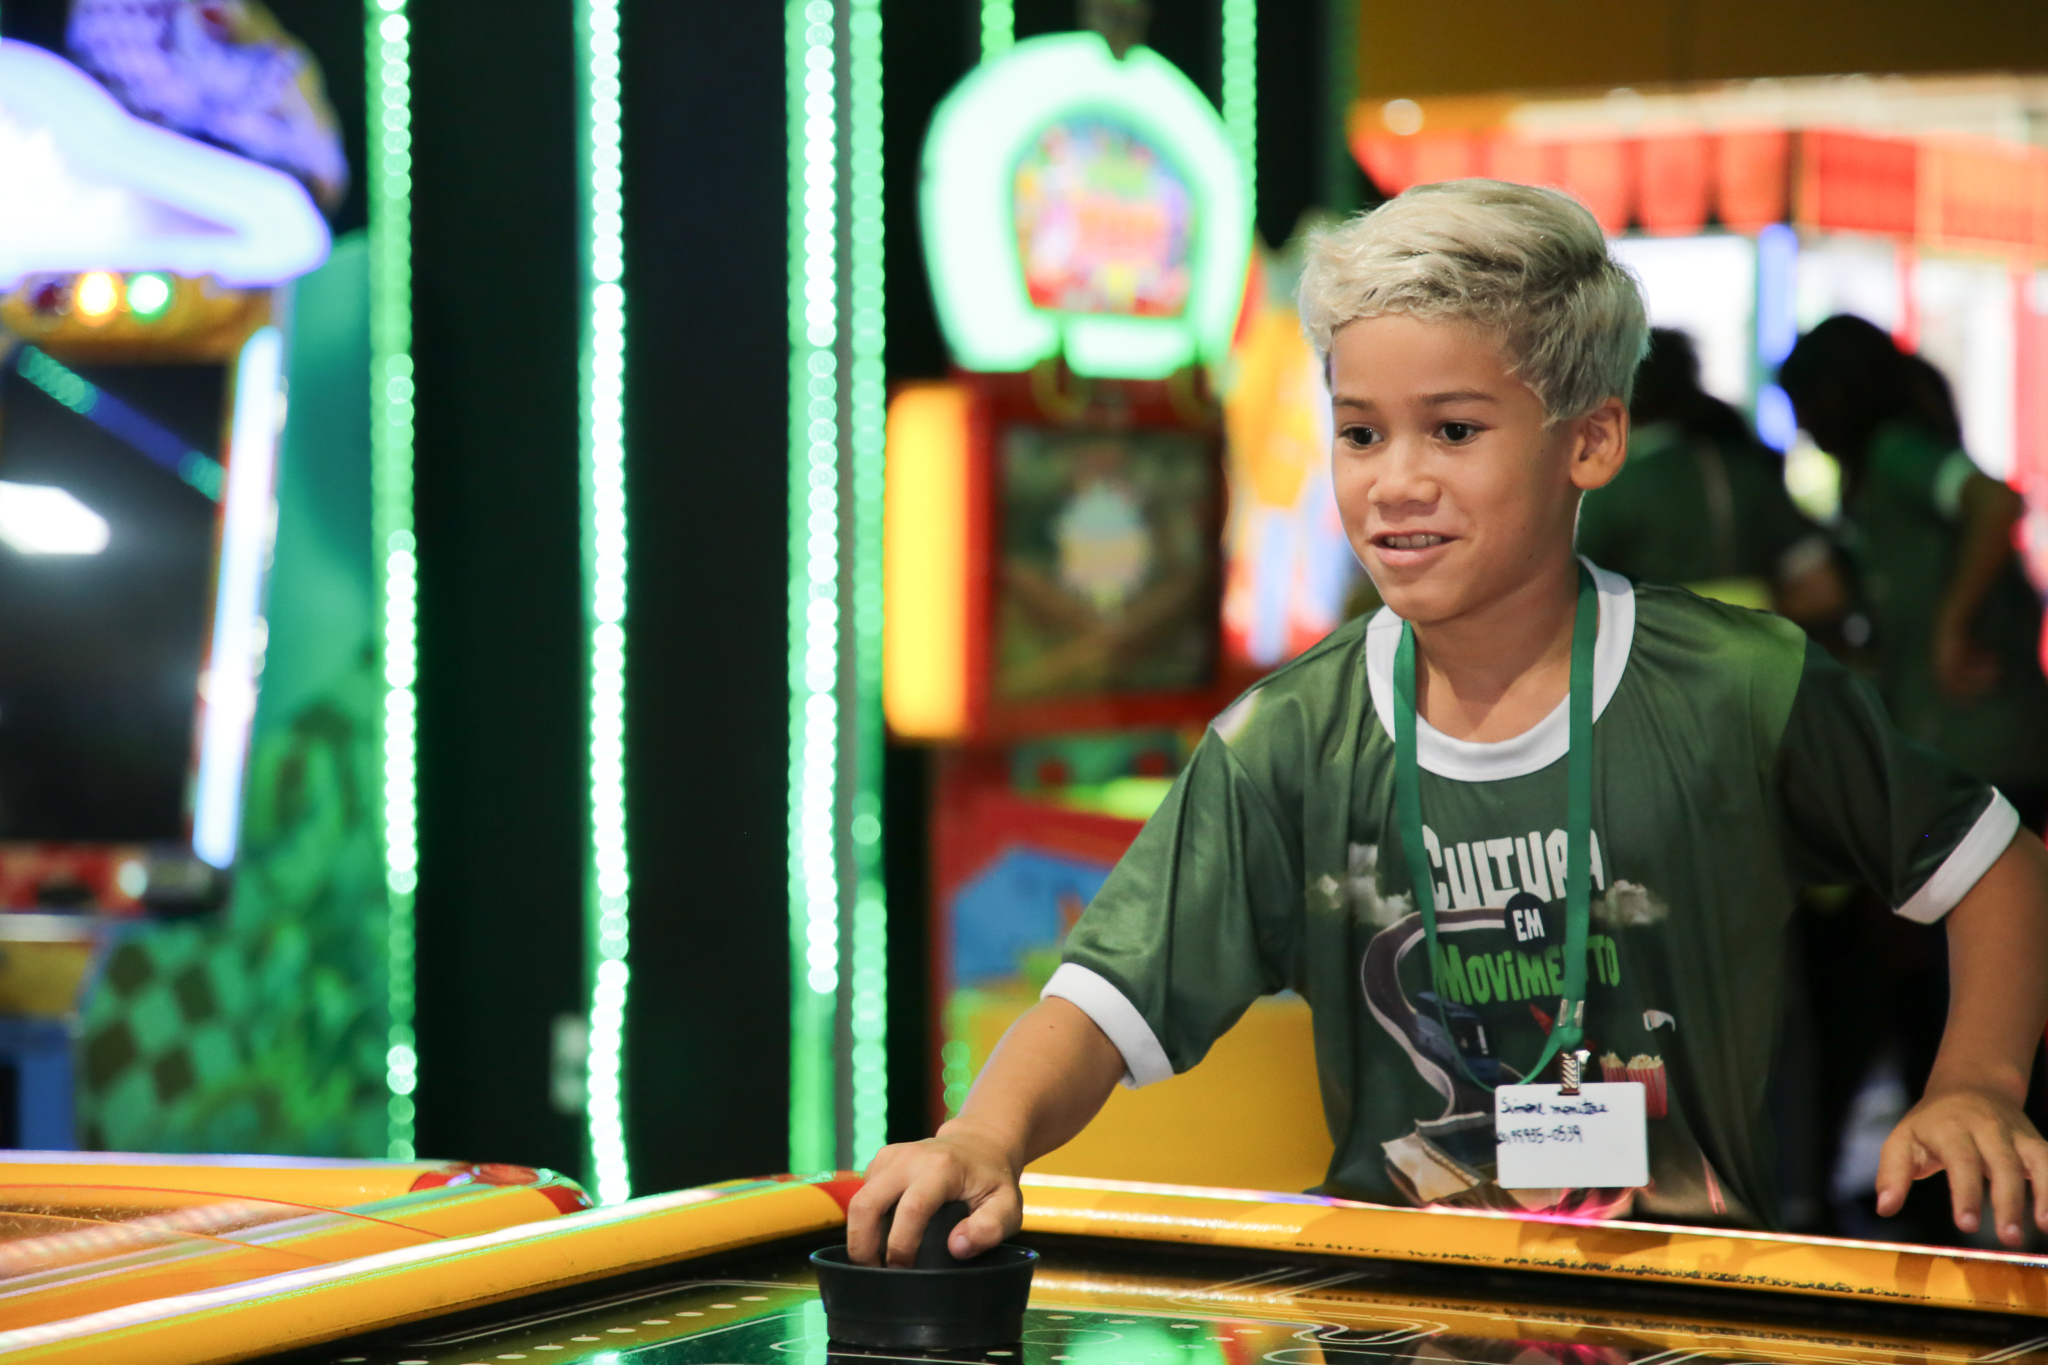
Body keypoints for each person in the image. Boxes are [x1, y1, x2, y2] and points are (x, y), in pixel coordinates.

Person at [850, 182, 2048, 1266]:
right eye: (1360, 431)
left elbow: (1996, 864)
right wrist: (983, 1135)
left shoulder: (1737, 686)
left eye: (1454, 430)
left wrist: (1978, 1082)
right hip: (1398, 1318)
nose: (1394, 480)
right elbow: (1102, 1001)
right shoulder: (1284, 741)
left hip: (1686, 1314)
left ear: (1589, 439)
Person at [1777, 317, 2048, 822]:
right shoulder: (1873, 475)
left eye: (1803, 406)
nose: (1803, 427)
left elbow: (1996, 502)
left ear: (1834, 397)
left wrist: (1952, 624)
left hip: (1981, 751)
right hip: (1966, 749)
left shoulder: (1896, 451)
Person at [1576, 328, 1845, 626]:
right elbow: (1821, 591)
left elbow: (1570, 594)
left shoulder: (1609, 486)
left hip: (1646, 649)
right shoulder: (1747, 473)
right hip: (1752, 647)